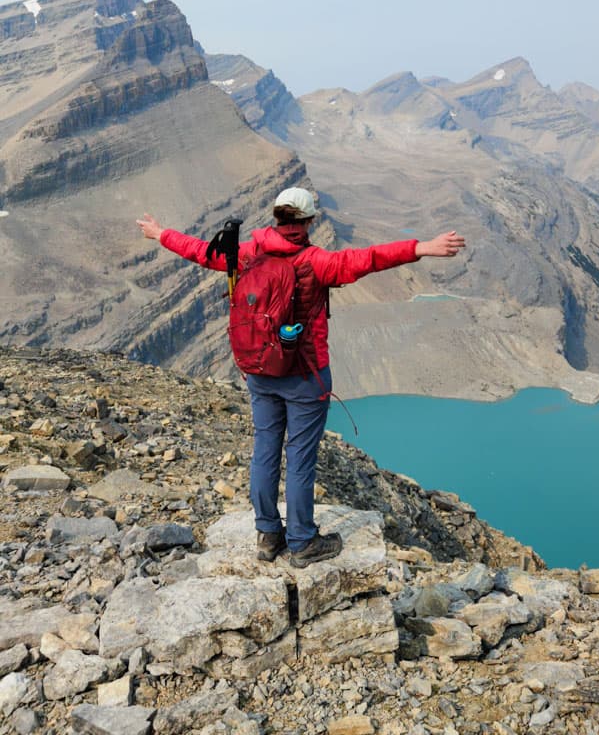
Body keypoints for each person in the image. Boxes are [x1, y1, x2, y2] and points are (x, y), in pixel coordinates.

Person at [137, 187, 465, 567]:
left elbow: (200, 252)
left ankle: (267, 534)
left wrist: (161, 234)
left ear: (277, 218)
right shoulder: (317, 262)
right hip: (304, 377)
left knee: (265, 450)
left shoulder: (247, 254)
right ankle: (302, 541)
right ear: (308, 222)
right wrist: (421, 247)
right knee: (300, 459)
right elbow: (369, 259)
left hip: (258, 371)